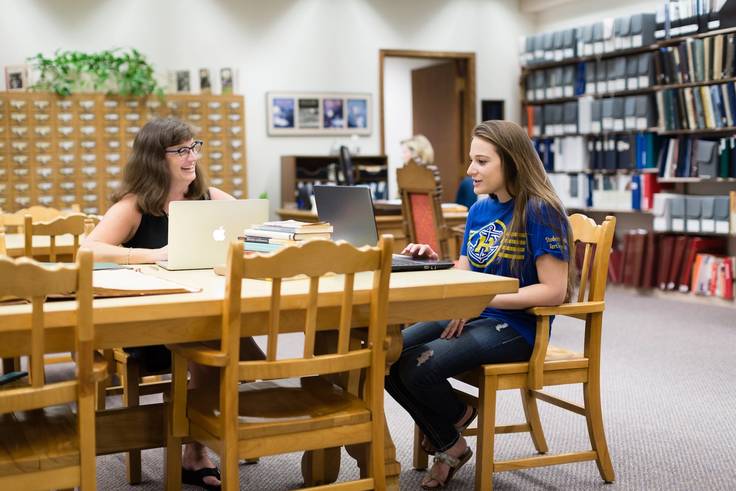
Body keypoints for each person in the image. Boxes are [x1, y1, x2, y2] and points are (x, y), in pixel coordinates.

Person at [387, 120, 574, 489]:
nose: (470, 170)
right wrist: (431, 261)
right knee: (385, 355)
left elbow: (554, 291)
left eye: (482, 161)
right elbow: (468, 268)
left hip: (519, 326)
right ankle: (454, 434)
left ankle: (448, 435)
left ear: (512, 162)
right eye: (472, 160)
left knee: (419, 369)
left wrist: (477, 300)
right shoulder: (480, 209)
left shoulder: (540, 210)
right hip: (474, 313)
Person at [83, 117, 262, 490]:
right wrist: (150, 255)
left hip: (201, 312)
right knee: (218, 344)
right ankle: (197, 446)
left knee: (218, 337)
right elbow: (87, 248)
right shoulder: (135, 205)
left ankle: (199, 439)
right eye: (180, 150)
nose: (191, 156)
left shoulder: (210, 199)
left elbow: (255, 227)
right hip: (150, 323)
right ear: (154, 158)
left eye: (194, 147)